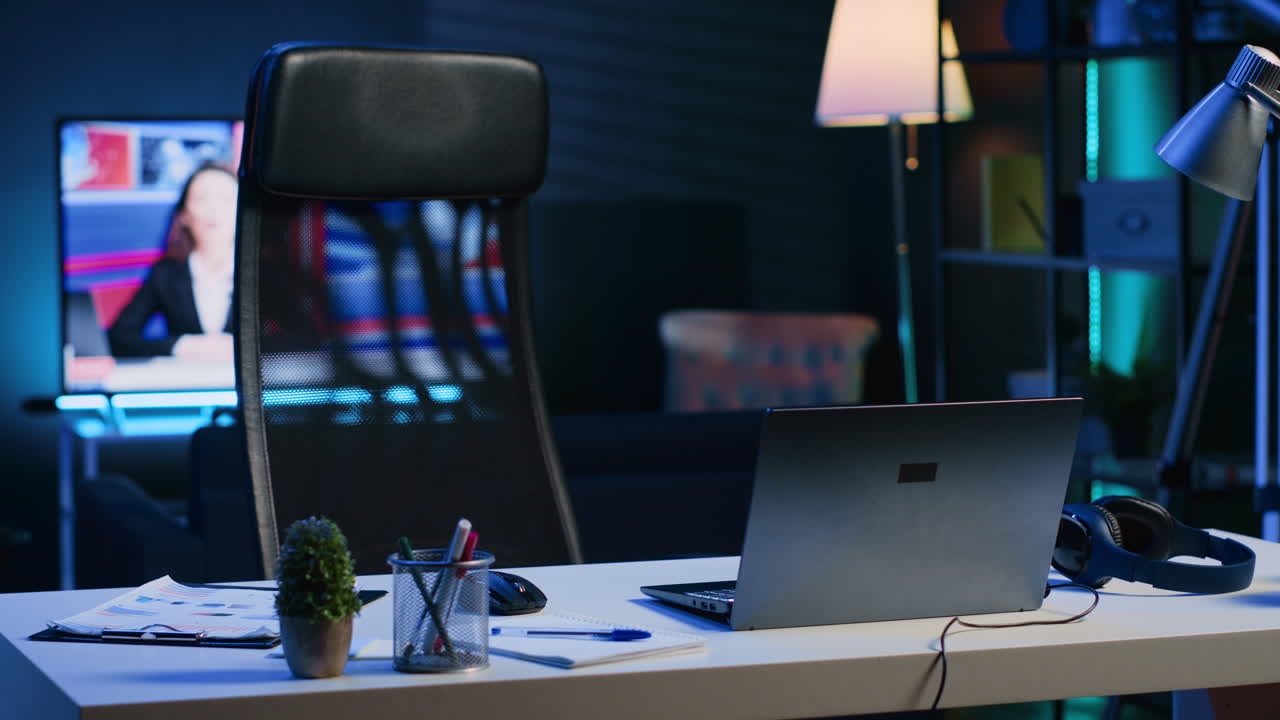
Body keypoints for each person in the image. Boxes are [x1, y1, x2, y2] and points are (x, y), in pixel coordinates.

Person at [108, 164, 238, 359]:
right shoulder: (165, 274)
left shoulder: (264, 274)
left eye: (226, 199)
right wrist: (181, 346)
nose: (214, 209)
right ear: (184, 215)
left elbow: (296, 336)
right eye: (202, 199)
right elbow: (119, 338)